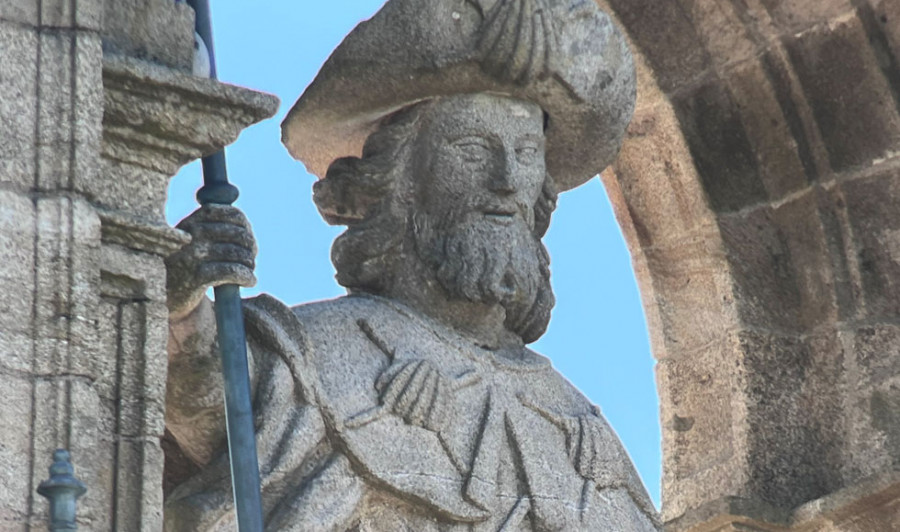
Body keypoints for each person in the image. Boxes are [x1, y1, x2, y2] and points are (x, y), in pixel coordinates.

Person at [164, 1, 657, 530]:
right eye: (471, 148)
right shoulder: (319, 355)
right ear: (398, 182)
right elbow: (205, 395)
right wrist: (182, 299)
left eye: (526, 152)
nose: (507, 179)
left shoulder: (576, 426)